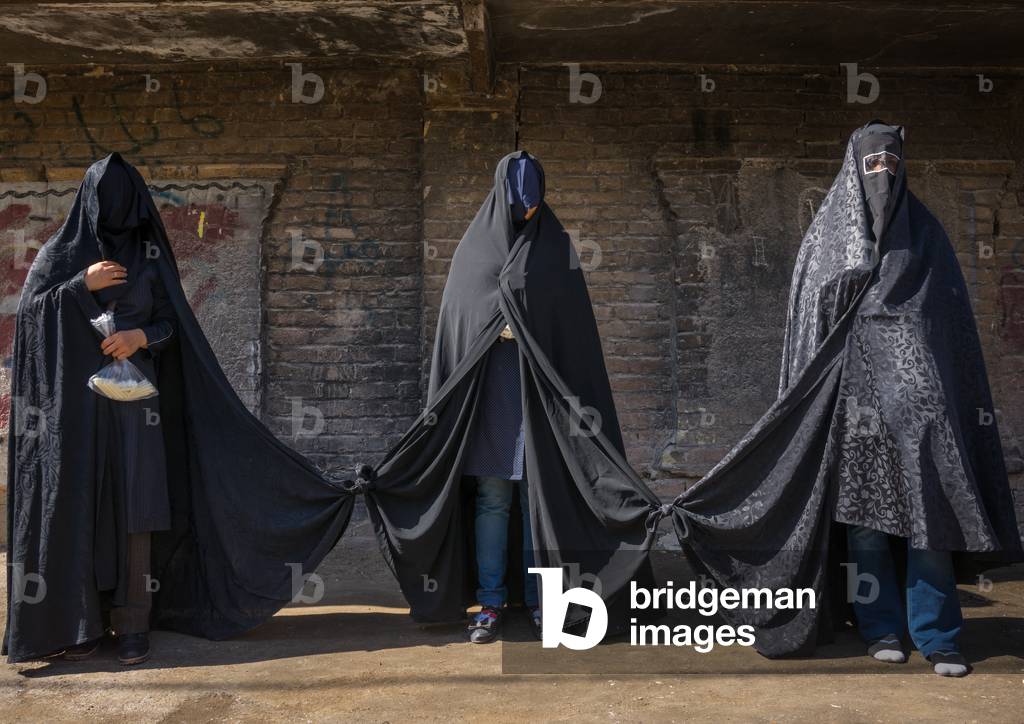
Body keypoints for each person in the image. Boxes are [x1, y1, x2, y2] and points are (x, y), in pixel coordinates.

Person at [664, 122, 1023, 676]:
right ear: (854, 166)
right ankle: (880, 627)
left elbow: (950, 328)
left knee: (931, 523)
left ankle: (938, 636)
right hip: (856, 412)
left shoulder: (926, 235)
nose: (883, 174)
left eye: (892, 163)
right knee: (866, 526)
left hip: (923, 415)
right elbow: (812, 330)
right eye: (872, 164)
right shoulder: (827, 239)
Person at [5, 154, 354, 665]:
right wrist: (82, 286)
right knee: (80, 506)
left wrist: (139, 337)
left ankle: (132, 623)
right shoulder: (62, 255)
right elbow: (31, 322)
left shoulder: (148, 260)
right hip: (75, 418)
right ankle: (82, 624)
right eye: (107, 203)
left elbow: (175, 326)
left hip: (136, 409)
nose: (117, 215)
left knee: (137, 509)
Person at [358, 151, 661, 645]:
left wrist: (526, 328)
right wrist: (494, 328)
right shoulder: (473, 252)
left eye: (533, 205)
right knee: (494, 498)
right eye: (520, 206)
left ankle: (544, 604)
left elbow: (571, 330)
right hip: (491, 394)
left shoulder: (554, 248)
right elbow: (461, 321)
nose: (527, 213)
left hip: (542, 399)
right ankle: (490, 602)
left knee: (537, 500)